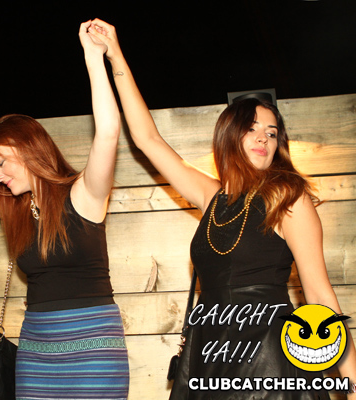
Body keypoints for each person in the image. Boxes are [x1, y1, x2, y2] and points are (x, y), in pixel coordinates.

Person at [88, 19, 356, 400]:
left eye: (272, 132)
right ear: (230, 134)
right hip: (210, 353)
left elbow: (319, 294)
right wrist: (115, 55)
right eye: (252, 128)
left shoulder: (287, 198)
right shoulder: (211, 196)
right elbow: (147, 139)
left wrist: (352, 382)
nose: (263, 138)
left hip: (269, 361)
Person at [0, 20, 130, 399]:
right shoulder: (15, 207)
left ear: (28, 149)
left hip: (93, 349)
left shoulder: (84, 194)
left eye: (1, 163)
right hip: (36, 348)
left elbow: (107, 132)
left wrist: (94, 57)